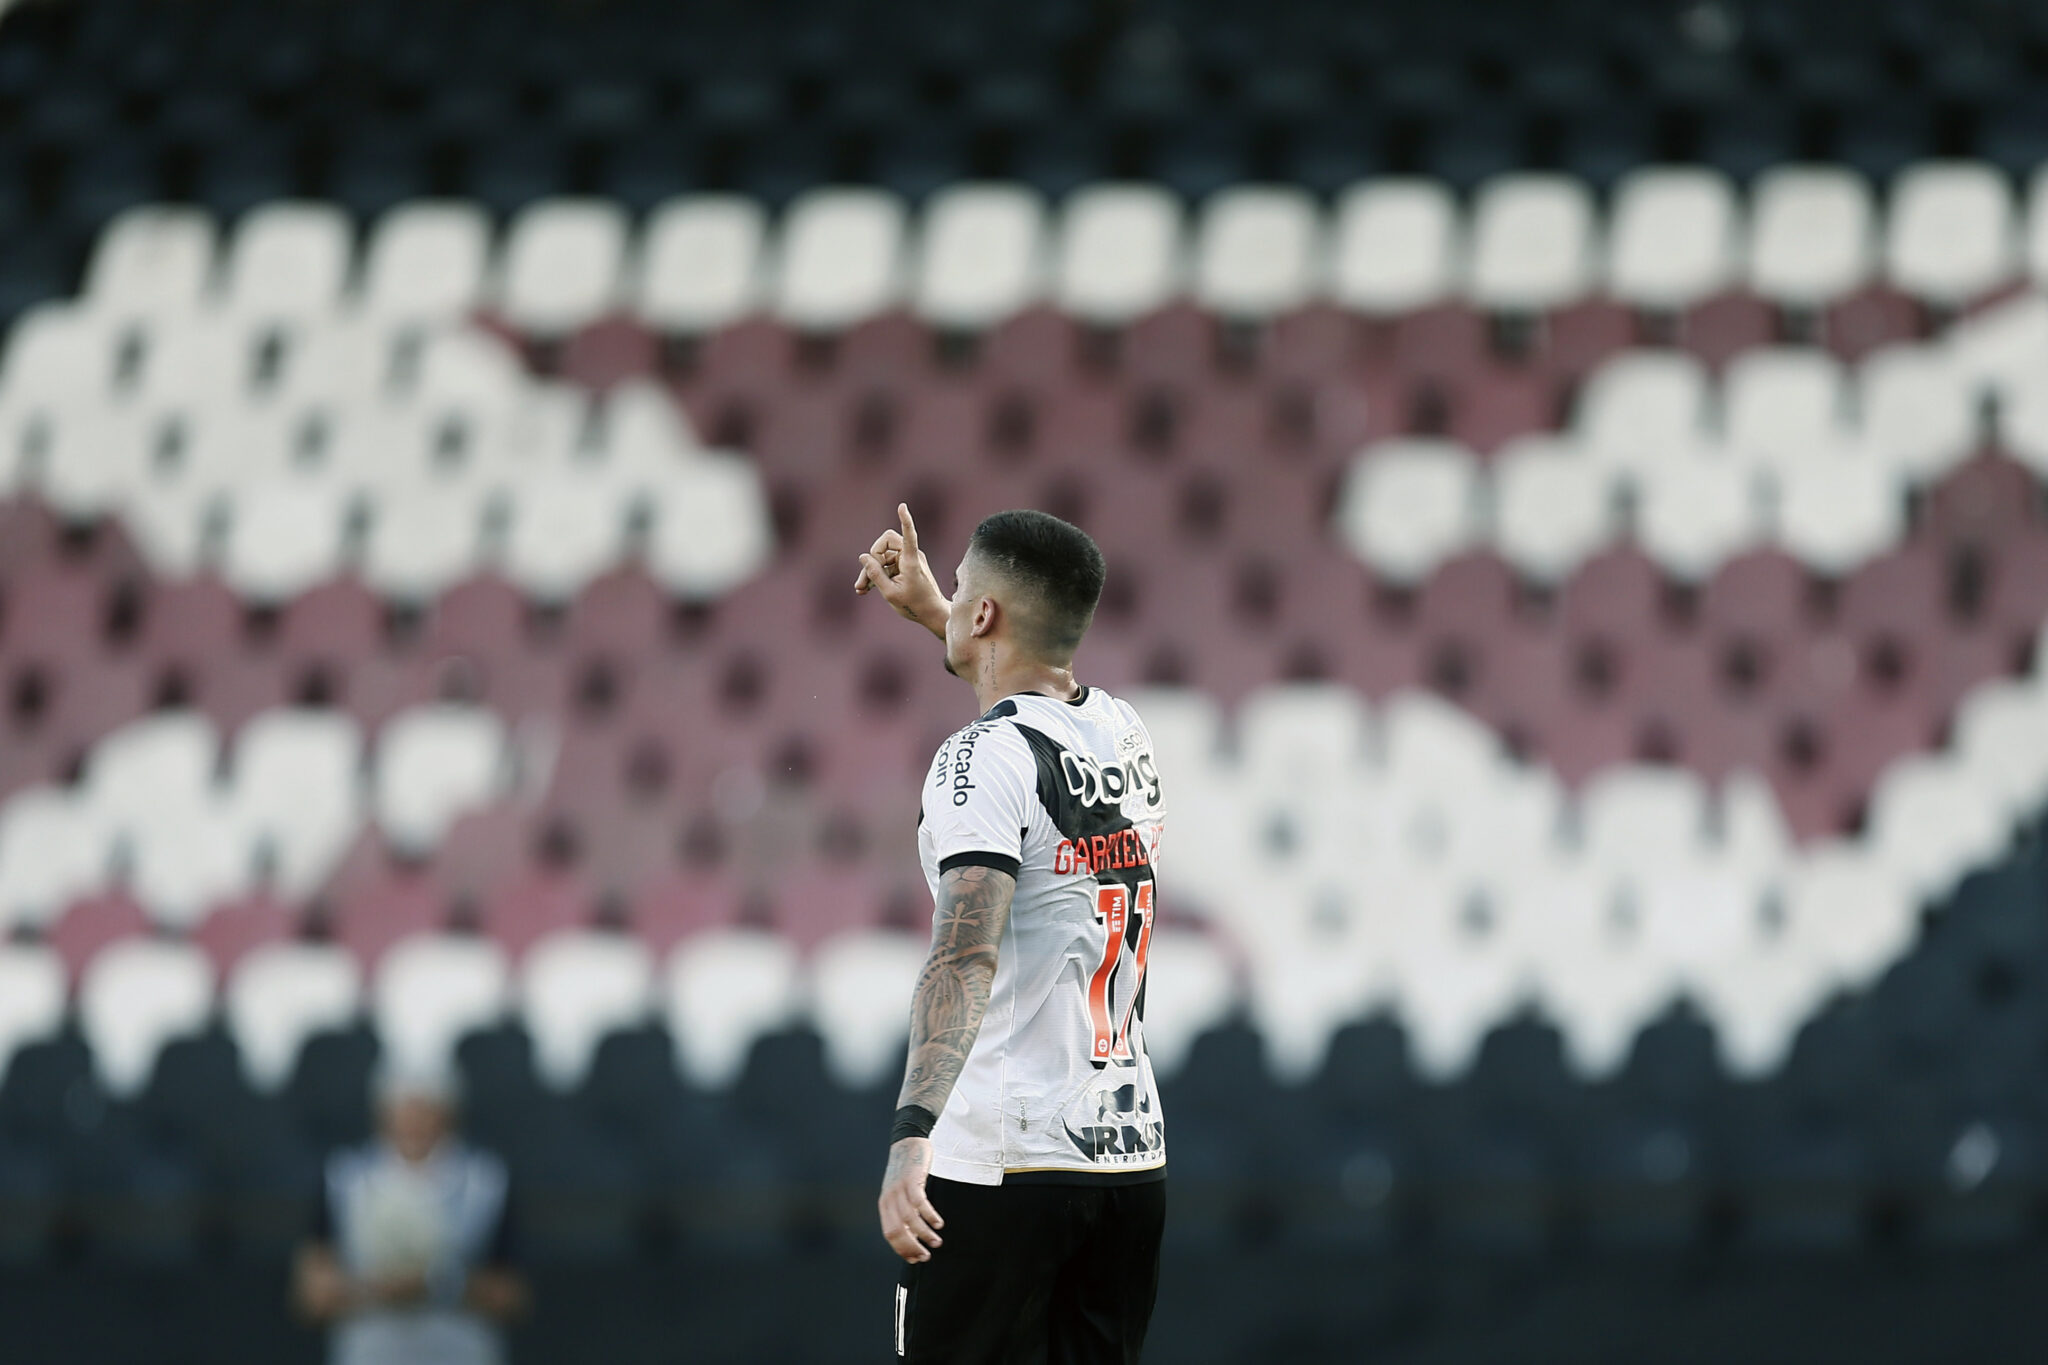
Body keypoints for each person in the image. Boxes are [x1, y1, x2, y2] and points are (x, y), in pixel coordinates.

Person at [855, 505, 1169, 1364]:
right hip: (1127, 1162)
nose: (951, 597)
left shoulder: (978, 756)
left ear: (987, 613)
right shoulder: (1125, 732)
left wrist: (912, 1131)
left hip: (1004, 1160)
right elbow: (1037, 712)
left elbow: (966, 950)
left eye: (961, 589)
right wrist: (942, 615)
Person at [293, 1063, 528, 1365]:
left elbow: (513, 1296)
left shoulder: (486, 1182)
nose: (414, 1121)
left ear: (449, 1114)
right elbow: (311, 1297)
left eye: (426, 1110)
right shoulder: (343, 1179)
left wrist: (438, 1285)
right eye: (405, 1109)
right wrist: (374, 1288)